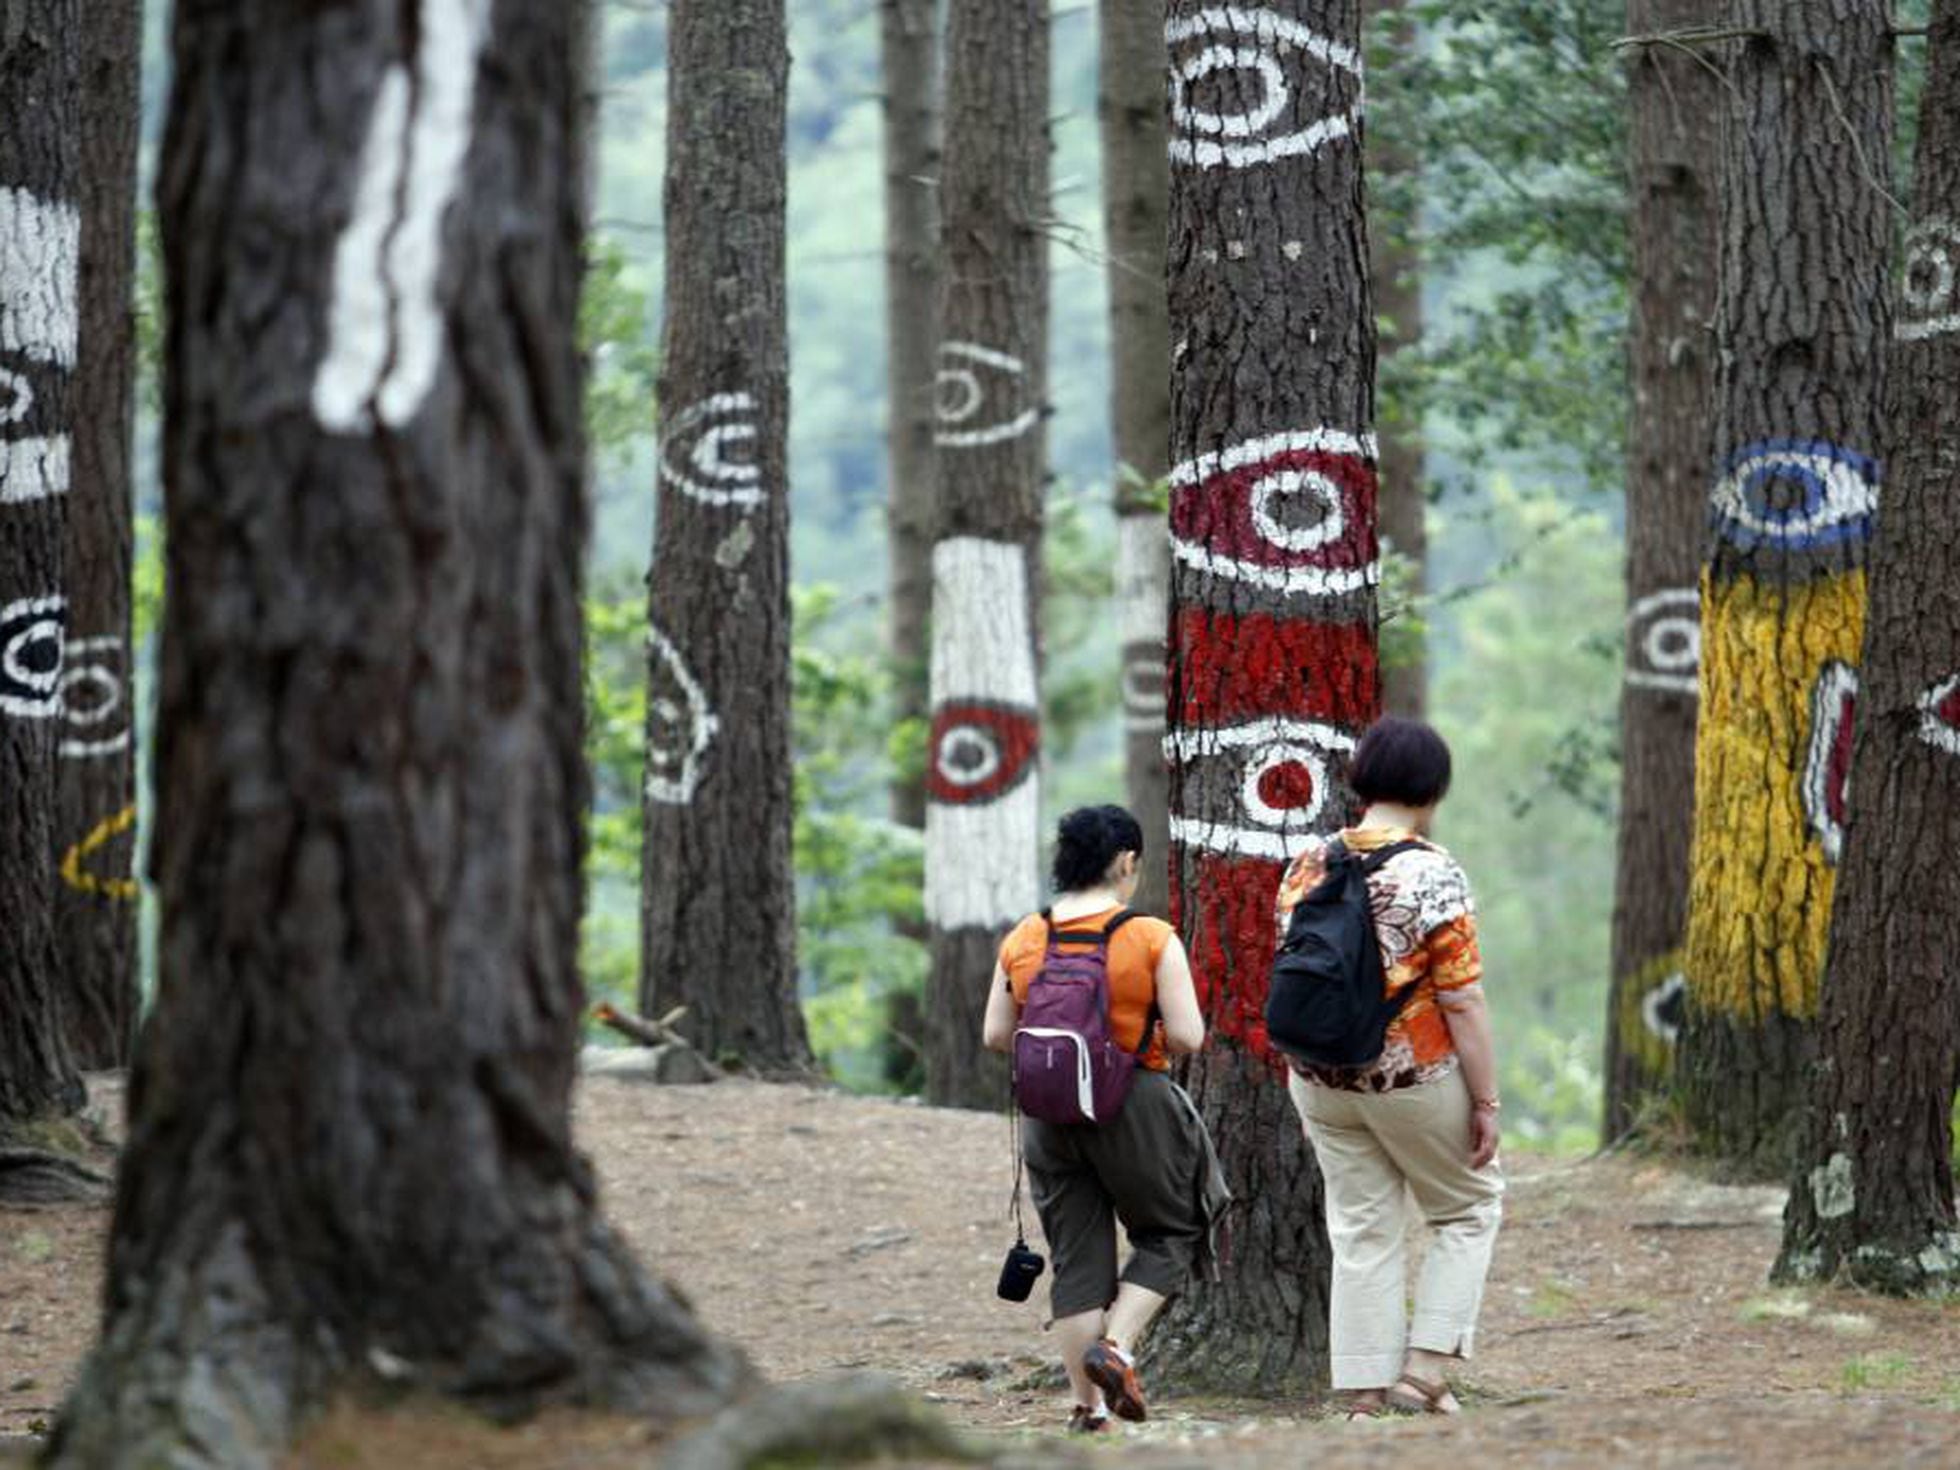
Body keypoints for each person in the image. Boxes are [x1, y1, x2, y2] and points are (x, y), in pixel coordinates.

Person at [1276, 716, 1503, 1419]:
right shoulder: (1433, 871)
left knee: (1362, 1227)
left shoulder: (1307, 862)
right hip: (1409, 1075)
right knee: (1468, 1206)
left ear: (1361, 780)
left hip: (1318, 1077)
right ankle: (1424, 1372)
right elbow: (1461, 999)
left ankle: (1361, 1391)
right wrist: (1486, 1101)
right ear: (1433, 790)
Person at [981, 805, 1227, 1434]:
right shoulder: (1147, 936)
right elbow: (1190, 1037)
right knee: (1174, 1230)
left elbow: (994, 1034)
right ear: (1124, 861)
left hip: (1046, 1115)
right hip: (1133, 1101)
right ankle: (1115, 1347)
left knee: (1078, 1264)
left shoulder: (1025, 936)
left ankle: (1087, 1413)